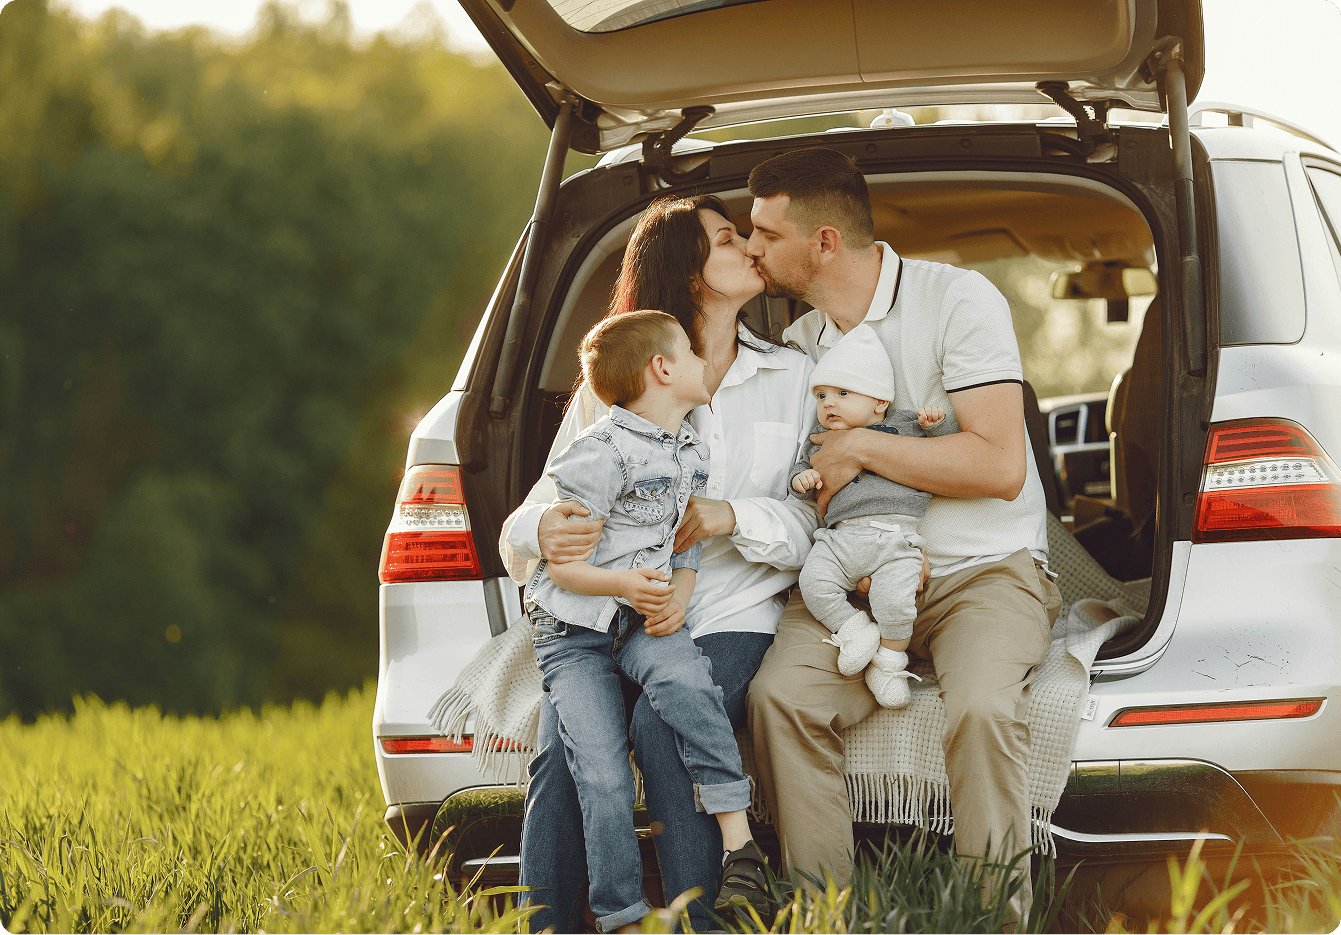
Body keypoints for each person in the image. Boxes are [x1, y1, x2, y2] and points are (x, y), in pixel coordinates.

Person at [742, 148, 1061, 919]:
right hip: (848, 581)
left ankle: (989, 915)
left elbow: (997, 464)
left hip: (981, 574)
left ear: (822, 241)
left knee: (982, 709)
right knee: (777, 698)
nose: (750, 247)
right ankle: (827, 913)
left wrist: (862, 448)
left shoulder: (958, 300)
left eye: (764, 231)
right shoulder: (797, 348)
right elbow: (801, 488)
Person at [500, 195, 818, 932]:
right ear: (691, 272)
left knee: (658, 730)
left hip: (732, 609)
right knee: (560, 753)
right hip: (610, 616)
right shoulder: (608, 392)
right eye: (728, 238)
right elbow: (530, 515)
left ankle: (702, 921)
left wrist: (729, 516)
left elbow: (814, 523)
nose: (751, 247)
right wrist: (544, 528)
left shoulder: (793, 378)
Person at [525, 309, 767, 932]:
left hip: (640, 617)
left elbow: (682, 537)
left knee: (689, 686)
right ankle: (621, 915)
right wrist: (625, 584)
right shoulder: (597, 454)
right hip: (576, 630)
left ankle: (740, 840)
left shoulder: (688, 444)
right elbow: (562, 569)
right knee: (602, 772)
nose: (702, 361)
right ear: (663, 369)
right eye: (690, 352)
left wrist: (680, 589)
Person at [787, 323, 944, 708]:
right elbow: (798, 471)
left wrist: (934, 427)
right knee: (813, 582)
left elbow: (944, 458)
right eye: (821, 395)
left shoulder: (905, 427)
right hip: (840, 539)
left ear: (878, 402)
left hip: (895, 538)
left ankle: (888, 665)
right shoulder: (819, 440)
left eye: (842, 393)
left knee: (896, 602)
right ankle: (854, 629)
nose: (828, 404)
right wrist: (802, 479)